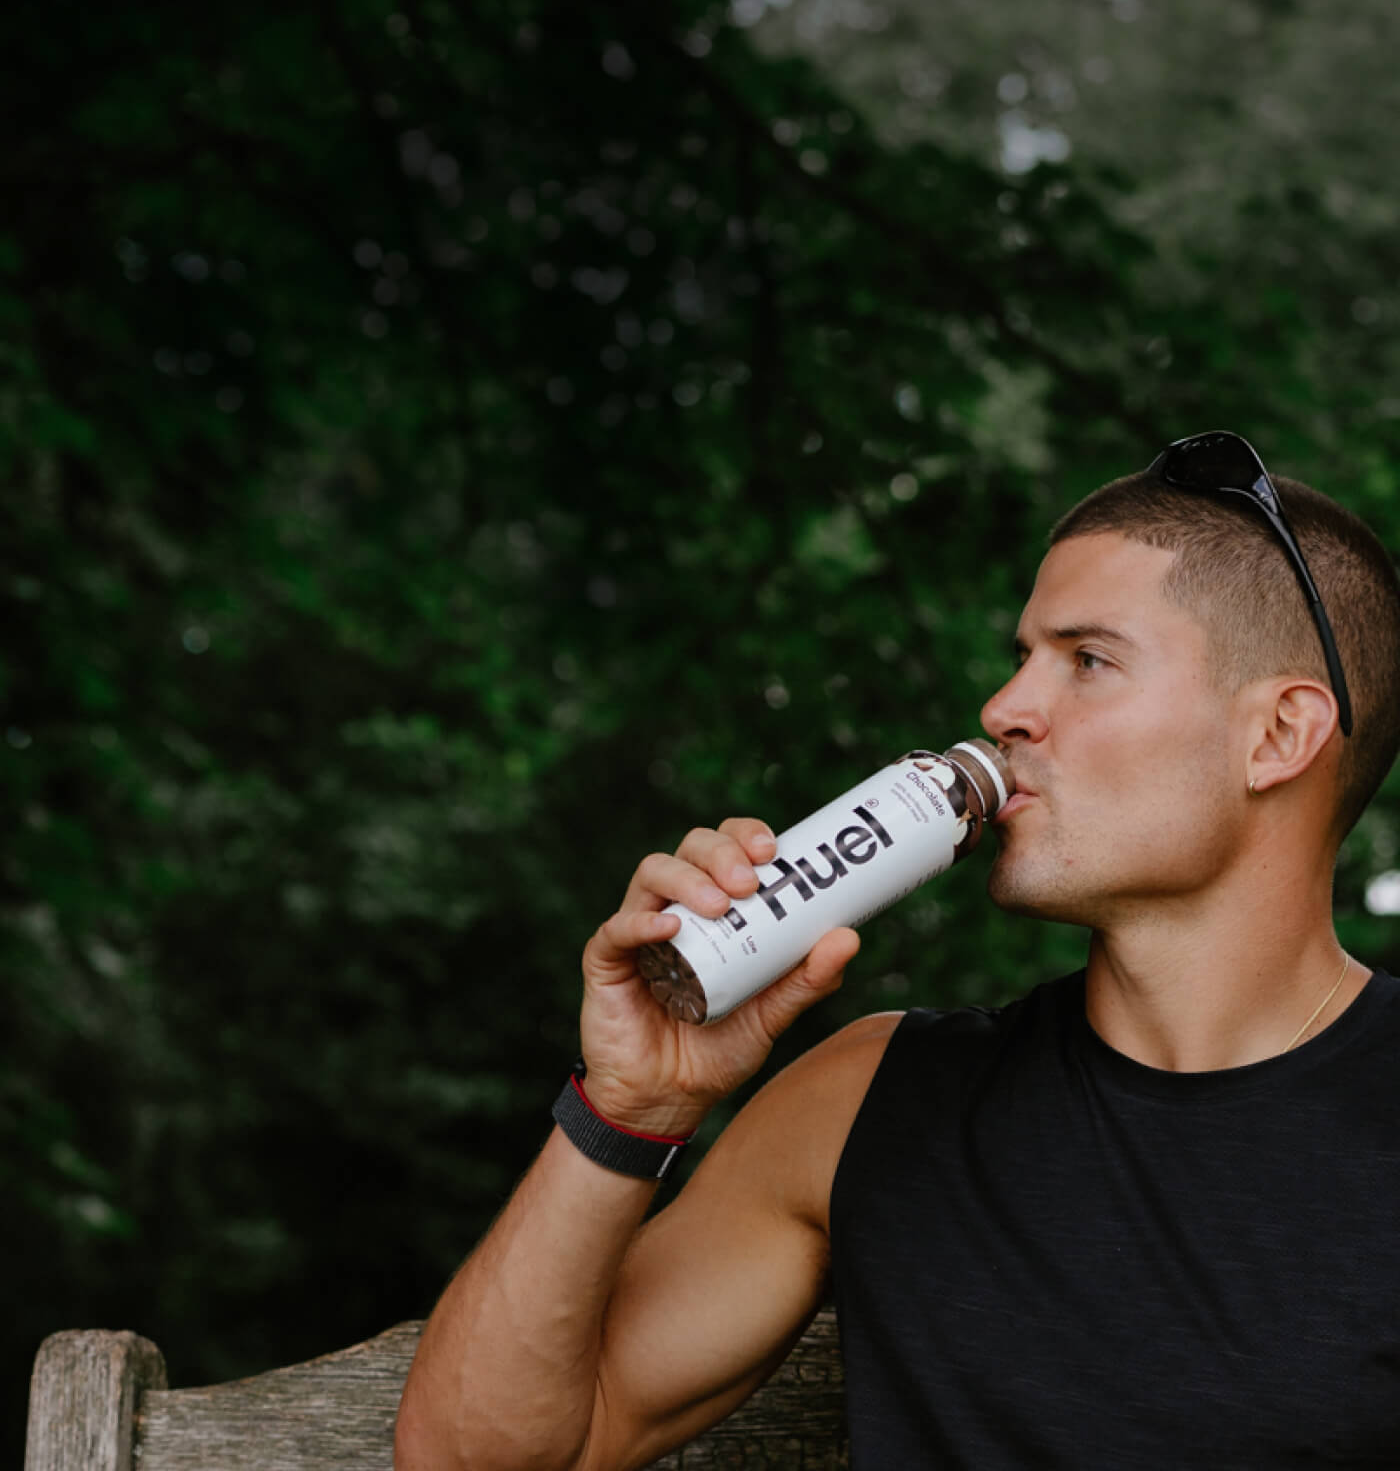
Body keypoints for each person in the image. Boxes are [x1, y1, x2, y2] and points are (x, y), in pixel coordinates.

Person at [395, 432, 1400, 1469]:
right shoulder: (867, 1102)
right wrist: (630, 1107)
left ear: (1279, 735)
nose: (1003, 710)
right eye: (1022, 658)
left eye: (1088, 661)